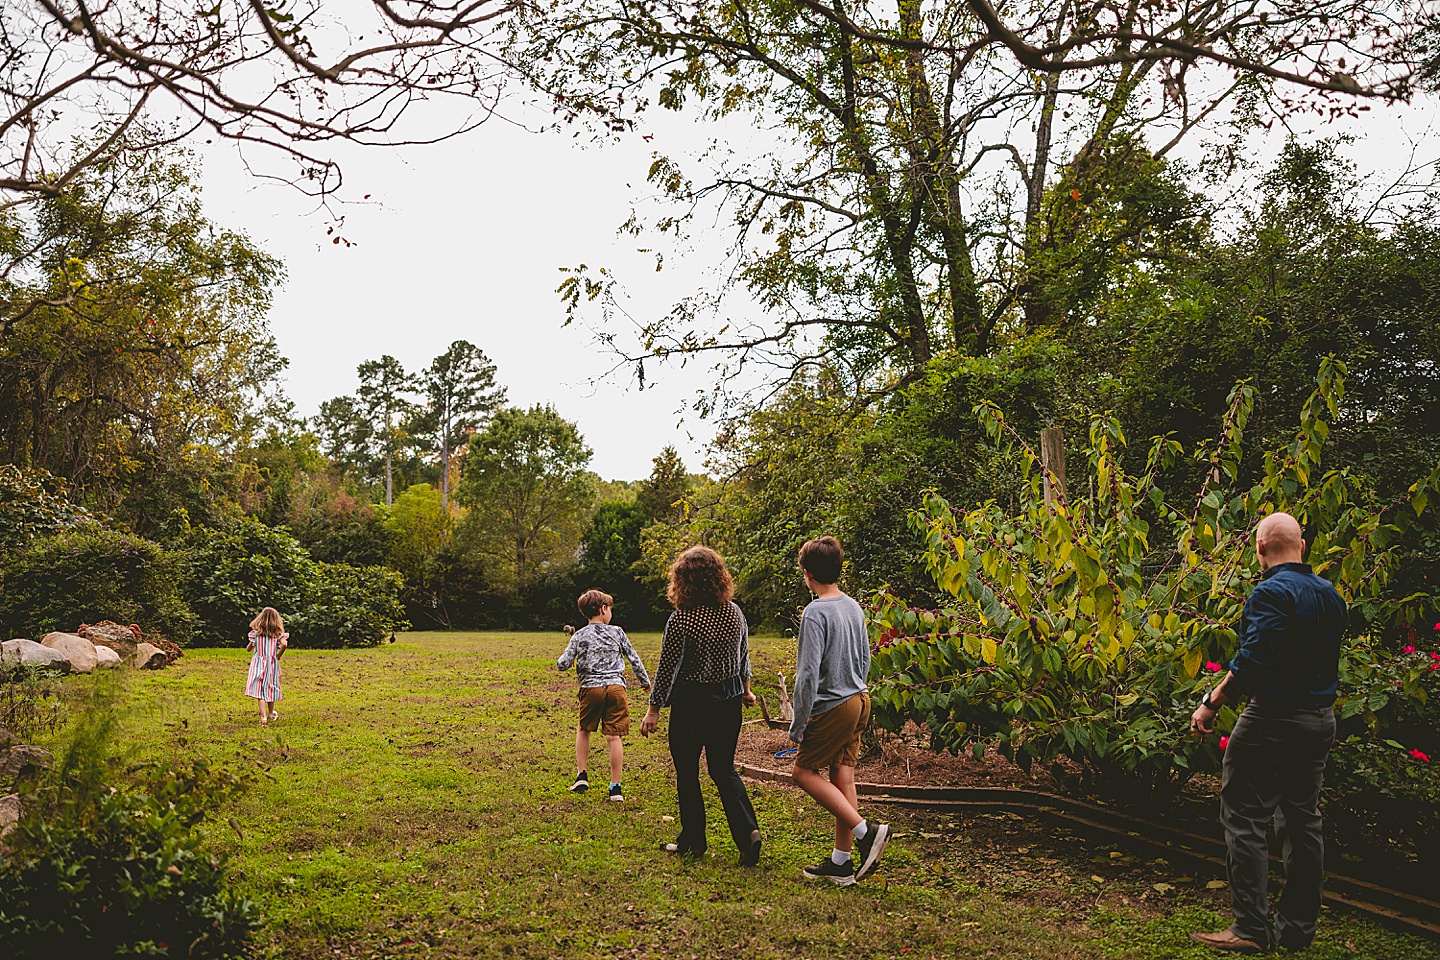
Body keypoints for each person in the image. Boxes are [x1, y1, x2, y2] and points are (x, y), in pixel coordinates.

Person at [1189, 511, 1346, 953]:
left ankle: (1251, 929)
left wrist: (1212, 702)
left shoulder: (1271, 593)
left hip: (1273, 718)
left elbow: (1253, 662)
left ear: (1259, 550)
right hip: (1319, 720)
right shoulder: (1330, 595)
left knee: (1244, 818)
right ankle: (1296, 931)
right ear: (1302, 546)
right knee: (1302, 821)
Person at [640, 546, 763, 867]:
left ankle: (693, 841)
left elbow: (667, 668)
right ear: (718, 577)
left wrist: (653, 710)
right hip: (727, 704)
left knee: (687, 773)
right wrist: (746, 691)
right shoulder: (735, 612)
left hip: (691, 705)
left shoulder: (682, 619)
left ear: (682, 581)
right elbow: (743, 657)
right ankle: (748, 831)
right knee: (723, 770)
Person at [788, 536, 890, 886]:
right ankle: (841, 863)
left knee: (802, 772)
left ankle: (866, 832)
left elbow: (806, 674)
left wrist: (798, 724)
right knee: (842, 777)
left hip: (834, 705)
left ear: (807, 574)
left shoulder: (815, 612)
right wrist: (855, 688)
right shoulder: (852, 606)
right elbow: (866, 658)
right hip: (860, 699)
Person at [557, 589, 652, 802]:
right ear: (603, 609)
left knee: (584, 729)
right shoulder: (618, 632)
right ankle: (615, 787)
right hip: (617, 688)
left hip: (591, 689)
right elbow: (634, 658)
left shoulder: (579, 635)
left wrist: (570, 660)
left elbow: (562, 664)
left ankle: (582, 775)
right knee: (613, 736)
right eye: (609, 609)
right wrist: (645, 682)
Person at [245, 607, 289, 725]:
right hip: (271, 664)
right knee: (270, 687)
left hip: (258, 664)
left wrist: (252, 644)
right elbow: (284, 644)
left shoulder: (255, 634)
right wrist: (278, 655)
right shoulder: (278, 635)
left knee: (260, 690)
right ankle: (270, 713)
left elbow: (248, 649)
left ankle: (263, 718)